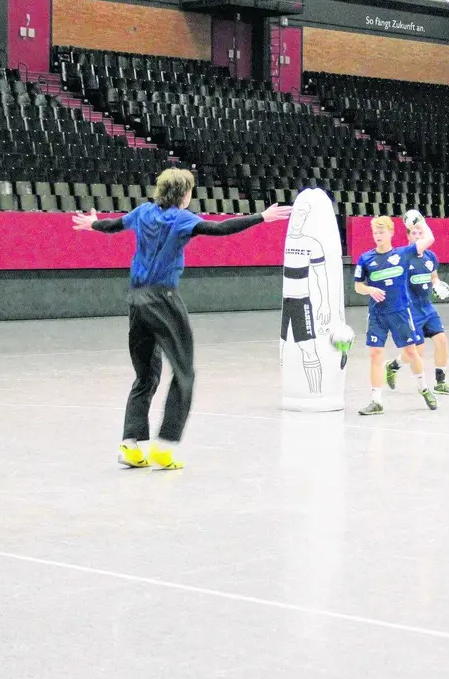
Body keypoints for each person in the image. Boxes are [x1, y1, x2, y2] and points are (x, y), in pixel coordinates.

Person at [72, 169, 291, 470]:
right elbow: (221, 228)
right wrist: (261, 217)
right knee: (184, 372)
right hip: (163, 300)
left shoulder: (143, 212)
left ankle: (131, 446)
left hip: (136, 301)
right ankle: (165, 445)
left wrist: (93, 224)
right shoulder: (182, 219)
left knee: (145, 375)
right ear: (184, 195)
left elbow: (114, 225)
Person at [354, 216, 434, 416]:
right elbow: (358, 286)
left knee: (411, 352)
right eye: (375, 233)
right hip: (377, 314)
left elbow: (429, 239)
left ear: (391, 233)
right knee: (375, 354)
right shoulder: (366, 259)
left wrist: (421, 221)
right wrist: (369, 290)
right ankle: (376, 401)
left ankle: (424, 388)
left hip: (400, 312)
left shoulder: (403, 254)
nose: (378, 236)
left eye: (381, 232)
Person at [385, 213, 449, 397]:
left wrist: (437, 286)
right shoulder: (403, 256)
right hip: (411, 309)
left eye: (420, 233)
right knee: (417, 351)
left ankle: (440, 382)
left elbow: (433, 276)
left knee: (441, 340)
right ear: (408, 236)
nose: (417, 236)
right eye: (414, 233)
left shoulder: (430, 256)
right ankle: (393, 366)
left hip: (427, 307)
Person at [281, 201, 332, 399]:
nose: (297, 218)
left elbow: (321, 275)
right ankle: (289, 391)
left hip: (301, 303)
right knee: (283, 347)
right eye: (296, 213)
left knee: (308, 348)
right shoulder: (285, 242)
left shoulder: (312, 244)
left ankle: (316, 394)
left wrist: (325, 303)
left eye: (302, 214)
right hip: (284, 303)